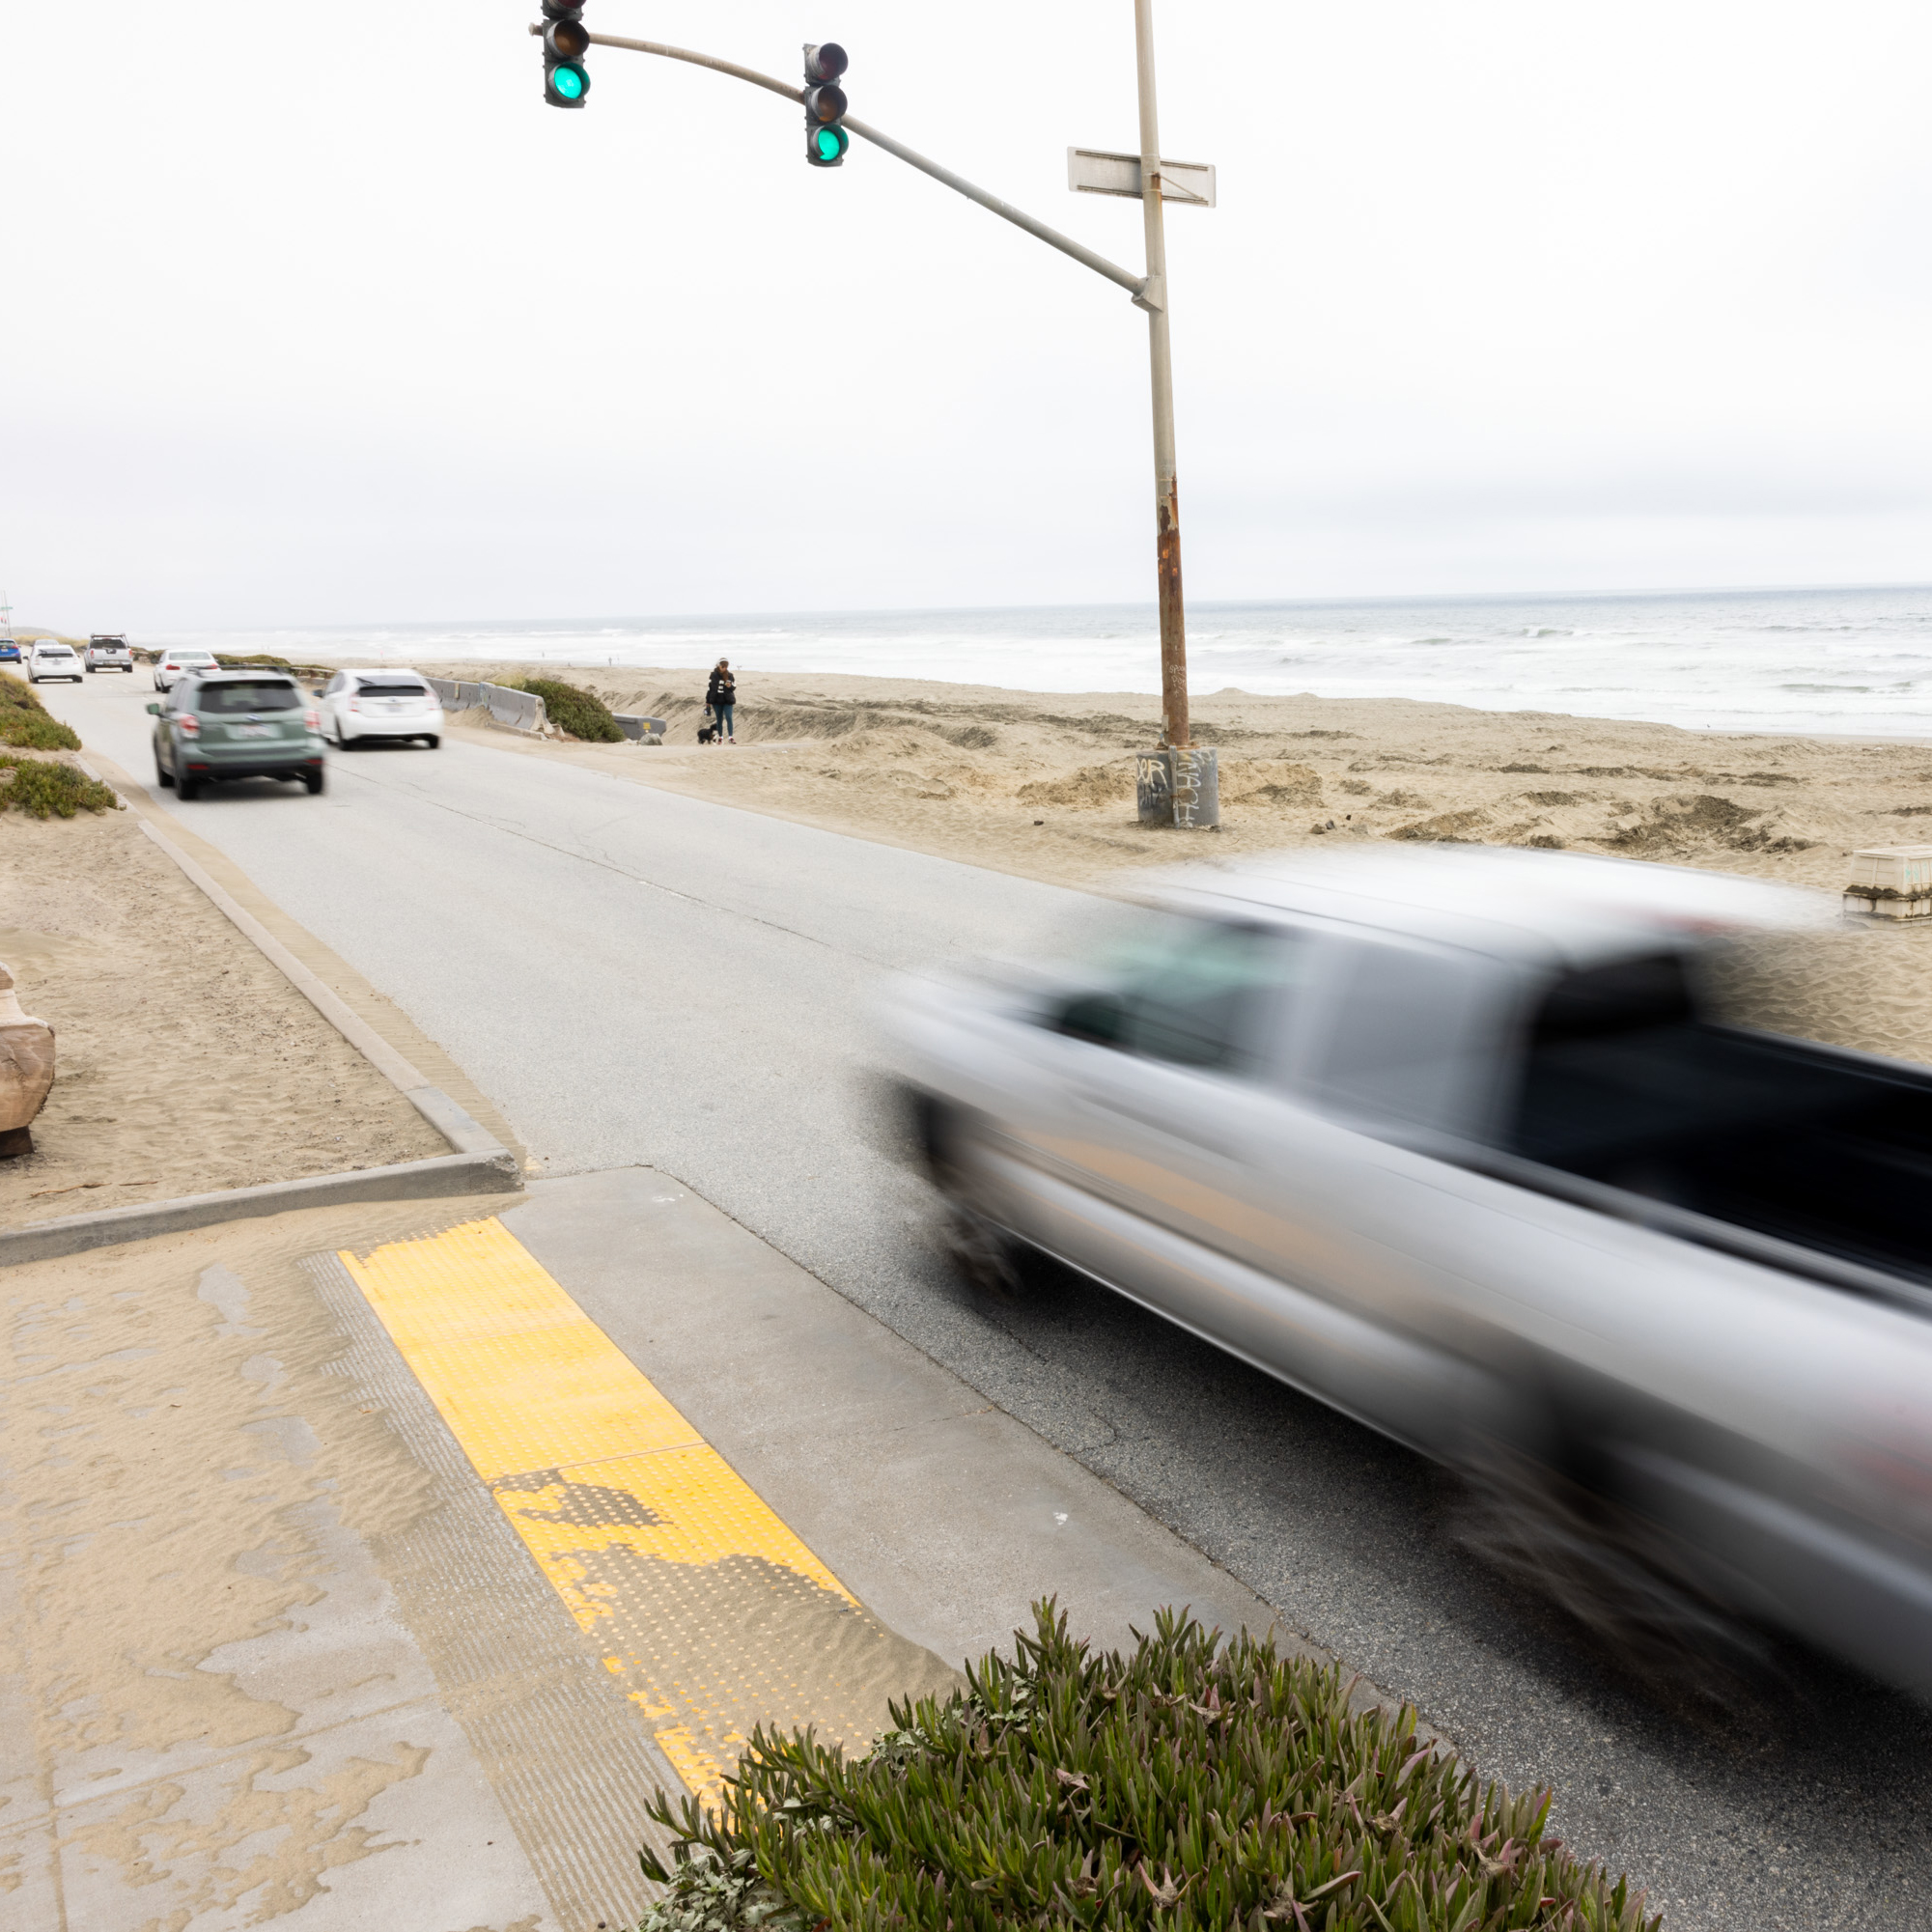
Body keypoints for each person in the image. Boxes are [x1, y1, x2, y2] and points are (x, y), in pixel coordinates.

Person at [705, 658, 737, 742]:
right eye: (723, 666)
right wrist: (707, 701)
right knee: (719, 719)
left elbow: (734, 687)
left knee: (729, 717)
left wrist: (730, 686)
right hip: (716, 700)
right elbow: (709, 689)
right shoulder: (713, 675)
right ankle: (721, 737)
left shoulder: (730, 675)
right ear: (719, 666)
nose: (724, 668)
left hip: (728, 700)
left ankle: (730, 737)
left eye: (726, 667)